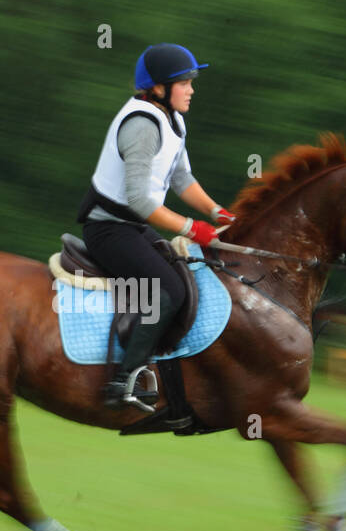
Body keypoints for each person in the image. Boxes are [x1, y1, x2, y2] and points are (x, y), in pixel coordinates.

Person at [76, 43, 235, 408]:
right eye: (185, 82)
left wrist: (218, 213)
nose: (192, 89)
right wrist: (194, 229)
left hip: (130, 227)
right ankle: (122, 382)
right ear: (160, 88)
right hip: (108, 229)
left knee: (184, 278)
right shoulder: (141, 126)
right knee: (168, 293)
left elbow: (182, 179)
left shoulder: (173, 120)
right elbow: (141, 201)